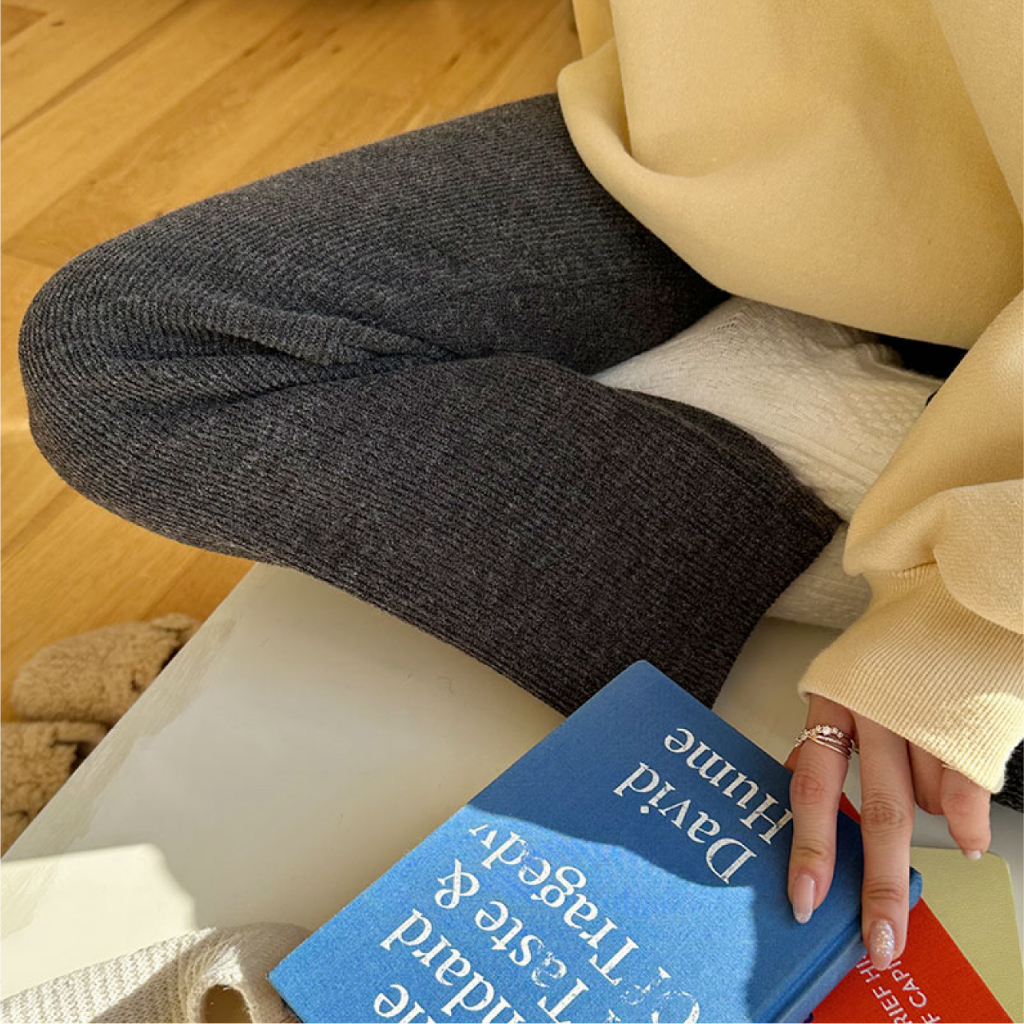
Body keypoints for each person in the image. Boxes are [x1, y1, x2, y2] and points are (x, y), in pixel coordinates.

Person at [18, 0, 1021, 979]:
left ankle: (906, 494)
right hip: (718, 146)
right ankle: (875, 490)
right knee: (122, 359)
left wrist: (967, 627)